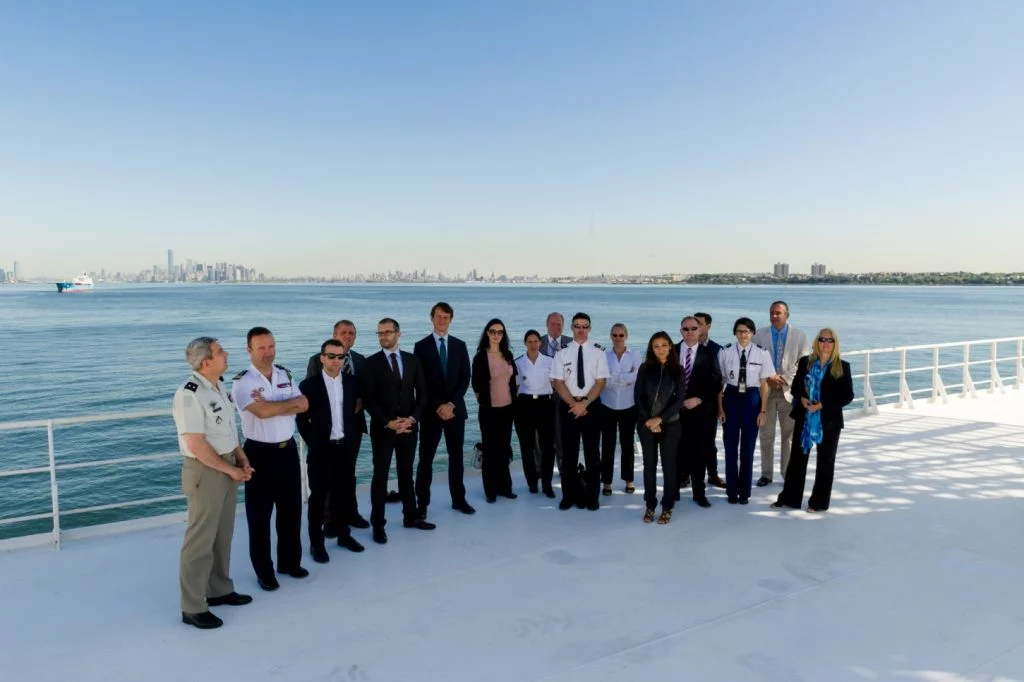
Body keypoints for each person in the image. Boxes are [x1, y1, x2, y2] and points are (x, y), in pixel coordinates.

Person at [173, 337, 253, 630]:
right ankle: (193, 607)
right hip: (206, 470)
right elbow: (196, 443)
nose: (226, 353)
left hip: (226, 463)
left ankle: (219, 589)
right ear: (207, 361)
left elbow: (227, 430)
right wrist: (229, 470)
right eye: (220, 351)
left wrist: (240, 457)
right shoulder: (189, 393)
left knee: (222, 533)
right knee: (200, 540)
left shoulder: (217, 385)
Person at [230, 327, 309, 591]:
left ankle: (289, 563)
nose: (268, 352)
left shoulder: (284, 373)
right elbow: (261, 413)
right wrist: (285, 405)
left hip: (288, 450)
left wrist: (271, 404)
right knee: (260, 517)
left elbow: (304, 404)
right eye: (261, 347)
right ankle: (264, 572)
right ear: (249, 350)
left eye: (271, 346)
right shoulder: (243, 382)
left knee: (291, 511)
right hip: (259, 453)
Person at [359, 318, 433, 545]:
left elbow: (423, 395)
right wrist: (388, 423)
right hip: (383, 429)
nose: (383, 336)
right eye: (380, 333)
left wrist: (411, 419)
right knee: (380, 476)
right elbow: (369, 400)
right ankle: (378, 525)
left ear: (398, 334)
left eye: (387, 332)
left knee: (406, 473)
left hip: (408, 427)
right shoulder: (370, 363)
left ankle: (411, 517)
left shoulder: (412, 360)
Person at [297, 339, 366, 564]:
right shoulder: (309, 385)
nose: (336, 360)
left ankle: (343, 535)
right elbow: (301, 420)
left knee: (344, 495)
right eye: (331, 356)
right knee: (318, 499)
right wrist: (314, 443)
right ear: (322, 358)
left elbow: (356, 413)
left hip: (344, 448)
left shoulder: (352, 382)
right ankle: (316, 544)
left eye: (340, 357)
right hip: (321, 450)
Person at [772, 328, 854, 512]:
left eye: (830, 340)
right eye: (822, 339)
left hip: (828, 421)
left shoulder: (842, 366)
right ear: (817, 342)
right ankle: (789, 498)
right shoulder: (805, 362)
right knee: (796, 460)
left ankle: (818, 503)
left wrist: (823, 405)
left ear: (835, 343)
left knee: (825, 463)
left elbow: (847, 396)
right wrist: (802, 398)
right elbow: (795, 387)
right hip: (805, 418)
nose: (826, 343)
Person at [305, 319, 370, 533]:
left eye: (351, 333)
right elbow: (311, 396)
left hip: (353, 427)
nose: (347, 336)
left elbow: (363, 389)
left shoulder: (360, 359)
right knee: (326, 478)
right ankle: (329, 518)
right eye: (343, 332)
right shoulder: (316, 360)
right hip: (327, 431)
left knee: (348, 474)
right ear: (334, 335)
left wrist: (361, 400)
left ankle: (351, 513)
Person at [413, 302, 475, 518]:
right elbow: (420, 382)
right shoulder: (421, 346)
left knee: (456, 457)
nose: (442, 320)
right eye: (438, 316)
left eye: (446, 317)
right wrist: (439, 405)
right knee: (426, 459)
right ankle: (422, 503)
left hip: (455, 411)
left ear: (451, 320)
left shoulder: (460, 345)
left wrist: (451, 404)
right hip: (431, 412)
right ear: (432, 318)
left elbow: (465, 378)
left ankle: (459, 499)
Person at [550, 312, 610, 511]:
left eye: (585, 326)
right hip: (568, 406)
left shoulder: (599, 353)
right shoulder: (562, 353)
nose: (581, 330)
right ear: (572, 328)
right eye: (577, 326)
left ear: (589, 328)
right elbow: (558, 382)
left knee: (592, 454)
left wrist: (584, 403)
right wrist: (573, 404)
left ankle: (592, 497)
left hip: (591, 406)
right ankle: (569, 496)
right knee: (569, 455)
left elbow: (601, 382)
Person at [717, 318, 775, 505]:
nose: (743, 334)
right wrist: (720, 408)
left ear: (753, 333)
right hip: (731, 397)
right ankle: (732, 491)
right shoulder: (725, 352)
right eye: (740, 331)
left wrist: (763, 411)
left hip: (751, 398)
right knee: (730, 446)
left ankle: (744, 492)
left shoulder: (762, 353)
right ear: (735, 333)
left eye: (747, 331)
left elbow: (764, 385)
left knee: (748, 447)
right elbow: (720, 382)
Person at [752, 301, 810, 487]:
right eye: (772, 313)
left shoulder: (799, 336)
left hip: (789, 392)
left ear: (787, 315)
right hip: (766, 392)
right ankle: (766, 474)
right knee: (766, 435)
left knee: (789, 437)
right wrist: (769, 377)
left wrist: (784, 378)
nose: (774, 316)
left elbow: (803, 363)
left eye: (778, 313)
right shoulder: (759, 335)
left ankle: (787, 474)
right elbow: (753, 360)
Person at [634, 332, 686, 524]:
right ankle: (650, 504)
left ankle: (668, 506)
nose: (660, 349)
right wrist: (650, 420)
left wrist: (660, 419)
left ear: (670, 346)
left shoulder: (678, 370)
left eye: (664, 345)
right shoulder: (644, 368)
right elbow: (638, 396)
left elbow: (679, 399)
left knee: (669, 466)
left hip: (670, 424)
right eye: (656, 346)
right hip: (646, 424)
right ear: (651, 348)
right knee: (649, 465)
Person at [676, 316, 723, 508]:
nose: (689, 332)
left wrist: (699, 399)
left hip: (701, 412)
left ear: (700, 330)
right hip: (675, 412)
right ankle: (673, 490)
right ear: (681, 331)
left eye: (693, 328)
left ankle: (699, 493)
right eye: (685, 329)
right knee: (676, 452)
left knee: (699, 453)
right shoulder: (670, 351)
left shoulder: (710, 353)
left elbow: (716, 382)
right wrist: (677, 401)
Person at [471, 319, 519, 502]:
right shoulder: (480, 357)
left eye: (500, 332)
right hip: (489, 411)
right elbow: (475, 383)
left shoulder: (508, 355)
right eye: (493, 331)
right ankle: (490, 491)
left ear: (503, 335)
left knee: (504, 449)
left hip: (508, 409)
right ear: (487, 333)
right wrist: (483, 400)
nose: (496, 335)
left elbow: (513, 380)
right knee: (490, 451)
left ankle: (505, 488)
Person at [599, 323, 640, 495]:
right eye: (615, 335)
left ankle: (629, 480)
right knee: (607, 445)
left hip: (628, 406)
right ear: (610, 336)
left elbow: (635, 377)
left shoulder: (635, 355)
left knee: (627, 445)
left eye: (621, 335)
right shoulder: (603, 356)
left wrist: (615, 378)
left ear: (626, 336)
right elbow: (603, 379)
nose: (618, 338)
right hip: (607, 405)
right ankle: (607, 482)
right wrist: (624, 378)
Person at [513, 330, 556, 497]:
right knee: (527, 447)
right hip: (525, 404)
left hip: (545, 403)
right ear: (525, 343)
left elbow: (556, 383)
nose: (533, 344)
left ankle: (547, 484)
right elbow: (516, 386)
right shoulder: (518, 362)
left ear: (540, 343)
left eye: (536, 341)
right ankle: (532, 482)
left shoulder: (550, 361)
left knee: (548, 447)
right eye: (530, 341)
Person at [693, 312, 725, 489]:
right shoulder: (681, 347)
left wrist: (720, 408)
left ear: (708, 326)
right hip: (686, 404)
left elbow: (719, 381)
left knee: (709, 442)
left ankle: (713, 474)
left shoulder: (717, 350)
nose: (695, 327)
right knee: (686, 441)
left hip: (709, 404)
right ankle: (685, 474)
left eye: (699, 323)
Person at [541, 312, 572, 473]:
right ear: (547, 325)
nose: (555, 327)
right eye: (552, 324)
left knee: (562, 433)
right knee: (541, 434)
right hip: (542, 396)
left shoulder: (572, 343)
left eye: (559, 324)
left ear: (563, 325)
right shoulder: (537, 342)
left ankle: (563, 467)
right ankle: (540, 468)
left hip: (564, 395)